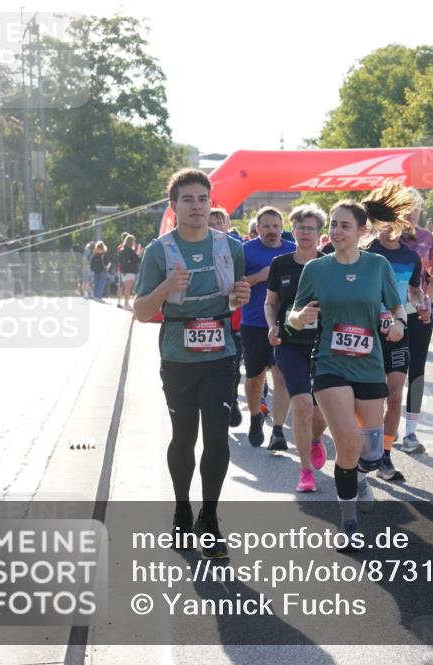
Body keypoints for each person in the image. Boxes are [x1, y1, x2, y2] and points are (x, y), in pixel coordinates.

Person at [133, 168, 249, 559]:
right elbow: (140, 310)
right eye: (188, 200)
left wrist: (240, 297)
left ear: (211, 202)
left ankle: (210, 519)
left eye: (203, 199)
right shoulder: (159, 251)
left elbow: (233, 302)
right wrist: (167, 288)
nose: (197, 206)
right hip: (179, 358)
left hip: (220, 355)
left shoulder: (230, 248)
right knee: (184, 437)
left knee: (216, 437)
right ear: (174, 206)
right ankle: (183, 509)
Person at [289, 183, 410, 550]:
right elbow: (294, 316)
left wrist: (398, 326)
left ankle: (361, 474)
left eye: (345, 226)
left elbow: (397, 308)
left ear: (362, 231)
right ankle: (348, 521)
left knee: (370, 453)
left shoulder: (378, 266)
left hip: (370, 366)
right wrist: (300, 317)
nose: (336, 232)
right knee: (347, 440)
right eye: (334, 225)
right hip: (329, 363)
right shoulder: (316, 269)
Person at [265, 205, 329, 492]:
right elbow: (271, 303)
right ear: (293, 230)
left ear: (319, 233)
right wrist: (272, 325)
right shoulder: (281, 264)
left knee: (322, 411)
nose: (305, 233)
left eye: (311, 228)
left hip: (325, 344)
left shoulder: (332, 264)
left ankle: (316, 439)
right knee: (302, 405)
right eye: (300, 228)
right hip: (290, 344)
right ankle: (305, 471)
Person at [365, 211, 428, 481]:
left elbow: (413, 290)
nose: (391, 228)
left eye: (397, 222)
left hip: (398, 329)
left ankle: (385, 455)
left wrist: (422, 304)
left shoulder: (410, 256)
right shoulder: (364, 252)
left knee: (394, 396)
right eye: (386, 222)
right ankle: (367, 450)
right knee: (369, 399)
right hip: (365, 331)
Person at [241, 207, 296, 448]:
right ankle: (255, 418)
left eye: (276, 226)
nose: (272, 231)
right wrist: (260, 276)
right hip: (253, 323)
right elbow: (233, 285)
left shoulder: (291, 251)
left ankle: (277, 430)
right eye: (267, 226)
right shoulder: (246, 251)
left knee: (281, 377)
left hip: (284, 324)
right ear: (257, 228)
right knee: (255, 378)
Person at [396, 189, 433, 454]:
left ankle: (410, 432)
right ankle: (381, 429)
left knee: (417, 370)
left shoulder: (426, 237)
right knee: (392, 372)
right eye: (407, 208)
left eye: (416, 209)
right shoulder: (386, 238)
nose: (412, 213)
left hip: (418, 310)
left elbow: (432, 276)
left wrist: (429, 302)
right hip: (387, 311)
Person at [210, 209, 244, 427]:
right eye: (210, 222)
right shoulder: (194, 249)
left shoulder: (237, 248)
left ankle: (231, 401)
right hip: (206, 322)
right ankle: (215, 408)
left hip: (233, 322)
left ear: (226, 224)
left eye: (218, 222)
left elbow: (244, 280)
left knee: (232, 370)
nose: (214, 226)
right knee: (211, 371)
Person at [116, 235, 140, 309]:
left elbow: (119, 261)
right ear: (132, 242)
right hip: (130, 271)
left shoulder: (121, 250)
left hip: (122, 271)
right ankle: (126, 303)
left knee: (121, 287)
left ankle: (119, 302)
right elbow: (138, 260)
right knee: (128, 289)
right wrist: (140, 253)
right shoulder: (131, 251)